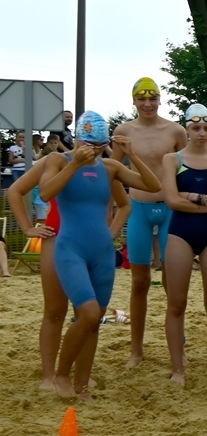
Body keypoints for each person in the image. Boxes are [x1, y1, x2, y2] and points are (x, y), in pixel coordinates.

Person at [38, 112, 162, 399]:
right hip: (70, 248)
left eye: (100, 145)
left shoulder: (109, 167)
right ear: (79, 140)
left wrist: (132, 154)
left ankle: (82, 385)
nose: (94, 151)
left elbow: (153, 186)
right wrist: (75, 163)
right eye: (90, 144)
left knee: (96, 320)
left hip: (102, 251)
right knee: (89, 312)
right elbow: (45, 193)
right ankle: (61, 374)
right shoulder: (59, 160)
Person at [7, 157, 129, 388]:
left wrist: (111, 233)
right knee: (55, 309)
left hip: (92, 241)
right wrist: (27, 228)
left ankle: (81, 374)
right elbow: (15, 191)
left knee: (87, 313)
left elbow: (124, 203)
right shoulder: (54, 161)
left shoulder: (103, 166)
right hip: (56, 235)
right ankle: (48, 374)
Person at [117, 77, 188, 367]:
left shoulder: (175, 131)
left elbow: (187, 167)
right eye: (142, 99)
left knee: (173, 281)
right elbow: (113, 172)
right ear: (134, 101)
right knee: (139, 282)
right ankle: (136, 349)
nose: (147, 104)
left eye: (152, 98)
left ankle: (178, 344)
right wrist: (115, 208)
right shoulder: (124, 131)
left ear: (160, 100)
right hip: (138, 207)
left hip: (169, 207)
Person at [160, 104, 207, 386]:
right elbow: (171, 200)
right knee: (176, 303)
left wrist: (195, 197)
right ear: (187, 129)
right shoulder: (172, 159)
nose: (202, 133)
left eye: (206, 128)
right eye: (196, 128)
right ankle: (178, 369)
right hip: (180, 233)